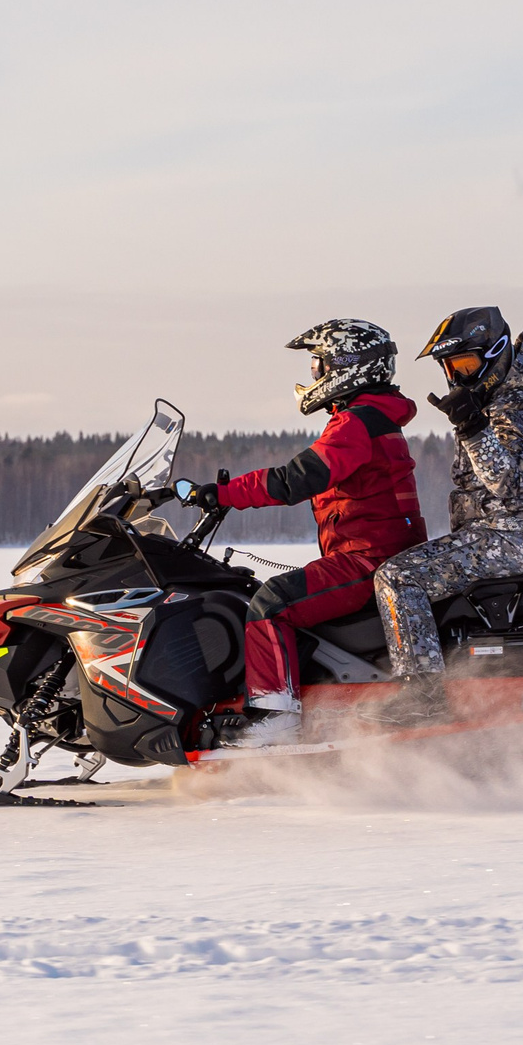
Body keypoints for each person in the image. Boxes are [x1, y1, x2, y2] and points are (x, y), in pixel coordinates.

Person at [178, 318, 425, 746]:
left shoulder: (358, 422)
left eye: (319, 365)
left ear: (347, 367)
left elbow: (296, 479)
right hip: (374, 552)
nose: (314, 375)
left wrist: (225, 493)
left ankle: (276, 716)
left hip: (368, 558)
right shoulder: (374, 417)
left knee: (272, 603)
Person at [367, 306, 523, 726]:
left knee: (398, 577)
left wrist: (473, 427)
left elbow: (506, 483)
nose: (457, 377)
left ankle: (423, 694)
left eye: (464, 365)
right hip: (499, 534)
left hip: (509, 539)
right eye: (449, 367)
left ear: (495, 355)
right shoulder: (501, 401)